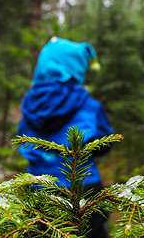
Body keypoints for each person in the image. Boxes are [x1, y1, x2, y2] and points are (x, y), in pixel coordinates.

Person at [17, 37, 113, 238]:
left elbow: (22, 138)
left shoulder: (31, 103)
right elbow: (106, 141)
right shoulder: (87, 103)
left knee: (37, 232)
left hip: (37, 186)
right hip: (84, 185)